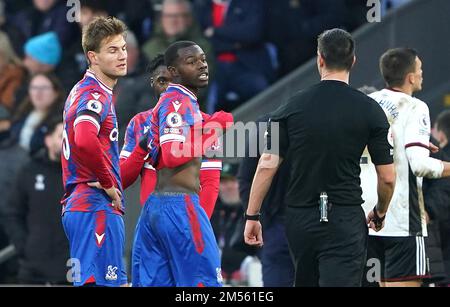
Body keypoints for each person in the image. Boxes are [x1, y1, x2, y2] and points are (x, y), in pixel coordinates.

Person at [244, 28, 396, 287]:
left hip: (300, 218)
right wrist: (380, 211)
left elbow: (267, 165)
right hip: (345, 216)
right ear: (353, 61)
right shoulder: (371, 110)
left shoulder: (290, 107)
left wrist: (252, 216)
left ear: (320, 59)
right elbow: (388, 177)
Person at [128, 40, 233, 286]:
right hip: (180, 205)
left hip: (157, 208)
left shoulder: (175, 105)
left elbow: (164, 156)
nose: (201, 65)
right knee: (202, 285)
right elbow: (174, 154)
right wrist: (215, 127)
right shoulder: (178, 101)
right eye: (191, 61)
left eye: (203, 59)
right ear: (173, 72)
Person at [364, 48, 450, 287]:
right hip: (403, 222)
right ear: (410, 77)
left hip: (369, 219)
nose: (422, 74)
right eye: (420, 69)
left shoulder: (368, 103)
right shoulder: (415, 107)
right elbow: (420, 165)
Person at [60, 16, 128, 287]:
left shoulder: (81, 89)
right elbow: (85, 138)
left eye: (123, 48)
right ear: (93, 56)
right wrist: (109, 183)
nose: (122, 55)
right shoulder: (95, 95)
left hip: (82, 205)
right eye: (112, 50)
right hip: (93, 204)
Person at [2, 117, 69, 285]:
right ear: (48, 140)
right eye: (62, 136)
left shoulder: (82, 175)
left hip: (70, 267)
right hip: (33, 267)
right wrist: (23, 245)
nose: (66, 142)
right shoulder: (30, 170)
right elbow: (12, 212)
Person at [237, 114, 295, 287]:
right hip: (277, 224)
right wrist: (259, 219)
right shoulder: (266, 125)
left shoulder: (310, 123)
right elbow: (245, 179)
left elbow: (244, 180)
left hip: (298, 222)